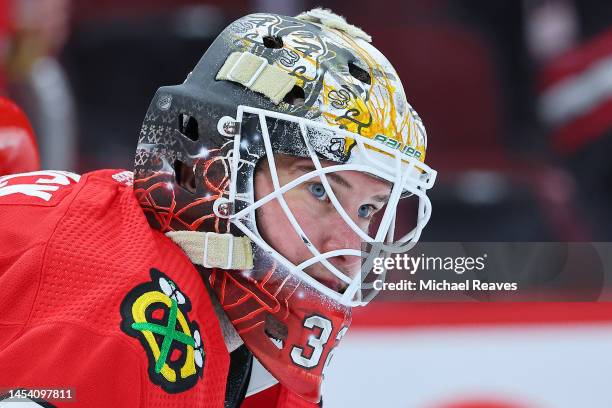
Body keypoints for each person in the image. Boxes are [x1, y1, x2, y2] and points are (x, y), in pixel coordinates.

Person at [0, 8, 436, 407]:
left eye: (366, 210)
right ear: (211, 168)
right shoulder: (120, 318)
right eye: (320, 192)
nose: (348, 249)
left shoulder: (265, 346)